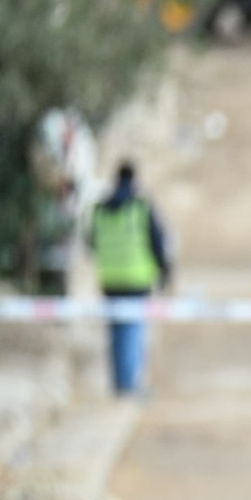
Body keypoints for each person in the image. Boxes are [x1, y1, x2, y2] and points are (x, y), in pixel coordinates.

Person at [88, 161, 172, 395]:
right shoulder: (140, 207)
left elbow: (91, 242)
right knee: (132, 332)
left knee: (116, 332)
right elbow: (157, 242)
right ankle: (130, 385)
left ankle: (119, 382)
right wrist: (165, 271)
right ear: (134, 179)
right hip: (136, 280)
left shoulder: (100, 208)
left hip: (109, 279)